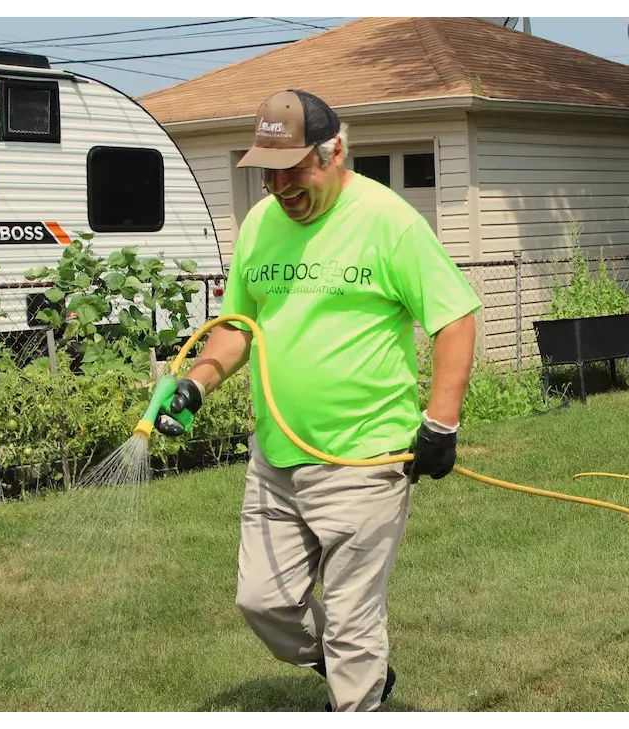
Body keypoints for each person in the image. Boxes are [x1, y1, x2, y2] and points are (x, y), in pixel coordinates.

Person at [155, 89, 482, 712]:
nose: (279, 184)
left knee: (356, 620)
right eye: (268, 170)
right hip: (276, 460)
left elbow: (455, 317)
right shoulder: (259, 224)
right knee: (263, 602)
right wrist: (197, 382)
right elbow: (235, 328)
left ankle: (356, 687)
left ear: (336, 152)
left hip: (366, 463)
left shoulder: (388, 222)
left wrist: (440, 423)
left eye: (294, 166)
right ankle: (355, 670)